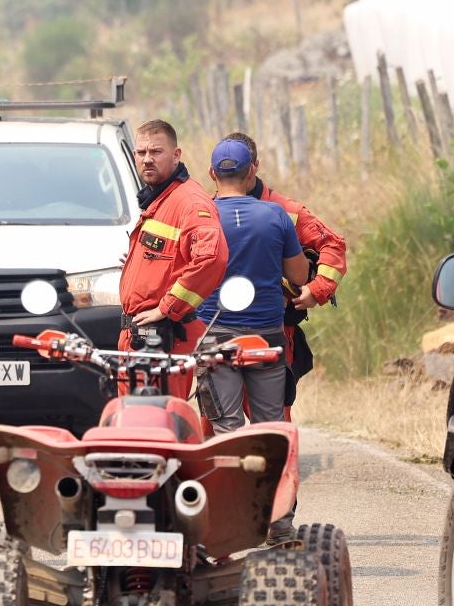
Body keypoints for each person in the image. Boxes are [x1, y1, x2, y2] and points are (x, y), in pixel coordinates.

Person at [220, 130, 349, 409]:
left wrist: (317, 289)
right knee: (217, 419)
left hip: (274, 326)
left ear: (255, 166)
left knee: (272, 420)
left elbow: (333, 245)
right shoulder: (207, 210)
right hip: (218, 327)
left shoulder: (286, 211)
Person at [196, 137, 307, 437]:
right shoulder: (275, 215)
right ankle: (269, 482)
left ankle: (231, 480)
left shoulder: (201, 217)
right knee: (269, 427)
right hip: (266, 335)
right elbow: (299, 275)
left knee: (226, 430)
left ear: (211, 174)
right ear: (251, 172)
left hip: (215, 336)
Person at [118, 119, 227, 399]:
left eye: (156, 152)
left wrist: (166, 308)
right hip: (141, 338)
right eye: (141, 153)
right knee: (132, 430)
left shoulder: (189, 202)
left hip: (164, 338)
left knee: (158, 427)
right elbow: (170, 257)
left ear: (176, 155)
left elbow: (211, 258)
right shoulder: (161, 197)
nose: (147, 160)